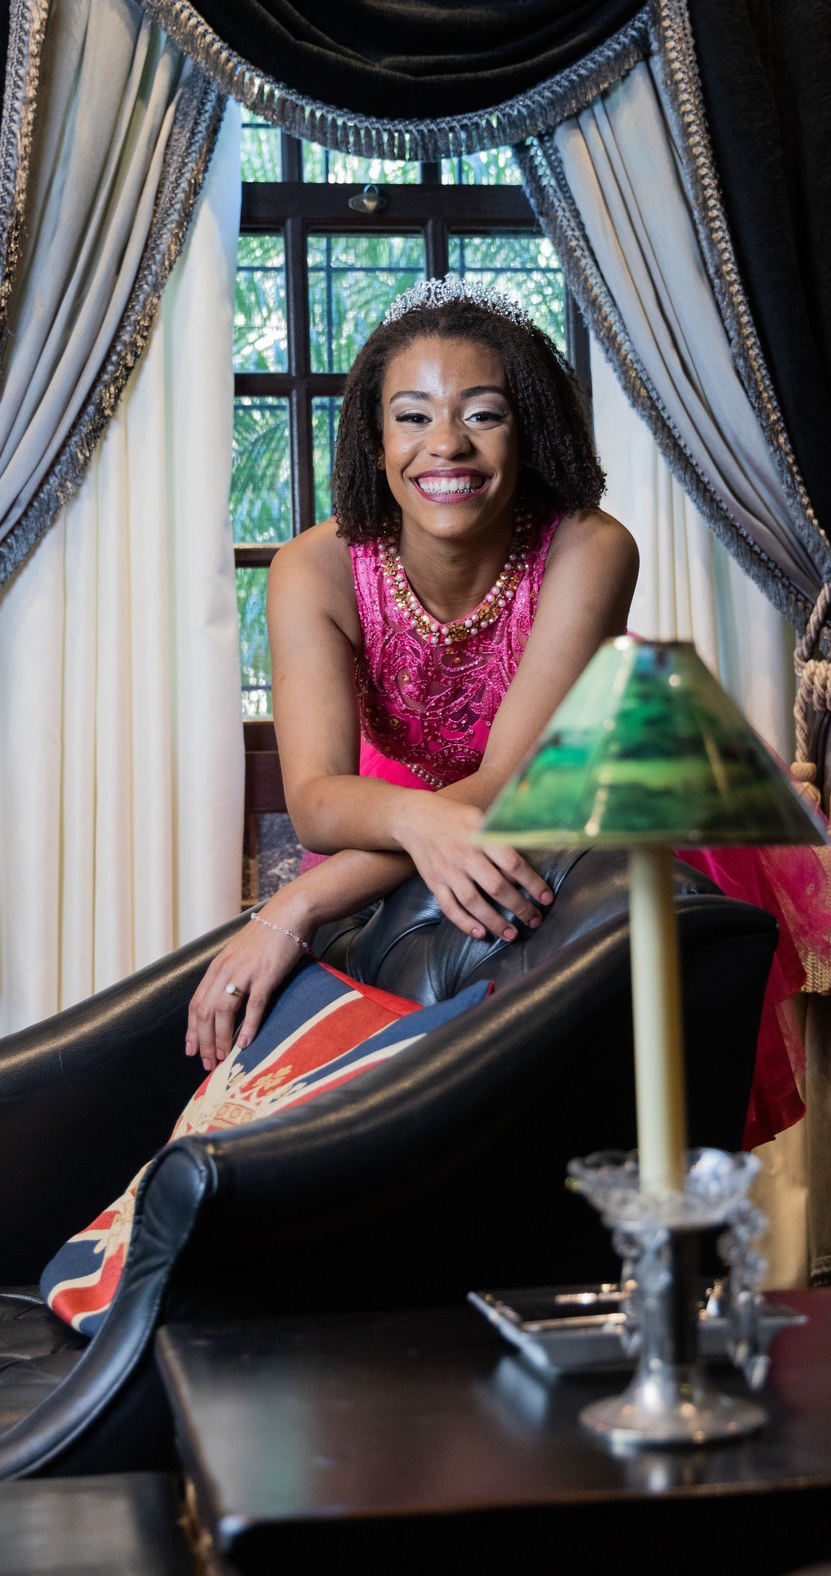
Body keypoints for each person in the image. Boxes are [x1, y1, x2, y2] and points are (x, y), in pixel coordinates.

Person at [185, 276, 638, 1073]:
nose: (447, 444)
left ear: (529, 431)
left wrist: (295, 903)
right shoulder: (313, 570)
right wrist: (415, 820)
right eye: (413, 416)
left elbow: (514, 786)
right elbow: (317, 805)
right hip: (403, 808)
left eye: (483, 414)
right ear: (375, 439)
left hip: (579, 814)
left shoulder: (592, 548)